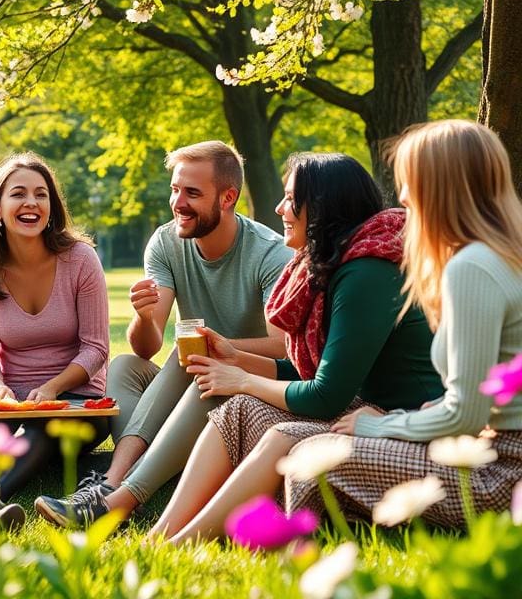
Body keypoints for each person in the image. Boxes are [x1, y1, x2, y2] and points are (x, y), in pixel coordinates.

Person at [145, 152, 443, 543]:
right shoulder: (334, 262)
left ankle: (182, 545)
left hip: (409, 424)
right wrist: (240, 360)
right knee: (237, 411)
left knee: (280, 431)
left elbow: (324, 395)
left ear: (320, 208)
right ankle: (158, 535)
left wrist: (244, 379)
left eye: (290, 199)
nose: (279, 208)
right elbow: (313, 373)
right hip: (363, 408)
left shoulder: (367, 272)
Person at [35, 141, 291, 527]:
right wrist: (143, 316)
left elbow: (283, 347)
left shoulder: (270, 254)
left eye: (192, 193)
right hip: (194, 383)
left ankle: (116, 491)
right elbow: (148, 343)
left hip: (250, 388)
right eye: (175, 189)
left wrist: (219, 346)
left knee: (199, 354)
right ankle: (118, 481)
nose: (178, 202)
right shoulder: (166, 242)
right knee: (125, 366)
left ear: (228, 197)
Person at [291, 121, 522, 527]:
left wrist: (380, 425)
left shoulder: (472, 267)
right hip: (495, 450)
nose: (401, 196)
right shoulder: (501, 254)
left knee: (307, 462)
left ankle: (298, 572)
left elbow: (465, 415)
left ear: (441, 188)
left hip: (500, 474)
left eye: (410, 181)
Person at [0, 152, 110, 506]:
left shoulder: (80, 260)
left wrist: (52, 389)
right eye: (18, 194)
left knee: (41, 428)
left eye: (41, 194)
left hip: (76, 398)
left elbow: (96, 349)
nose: (31, 203)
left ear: (51, 206)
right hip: (10, 397)